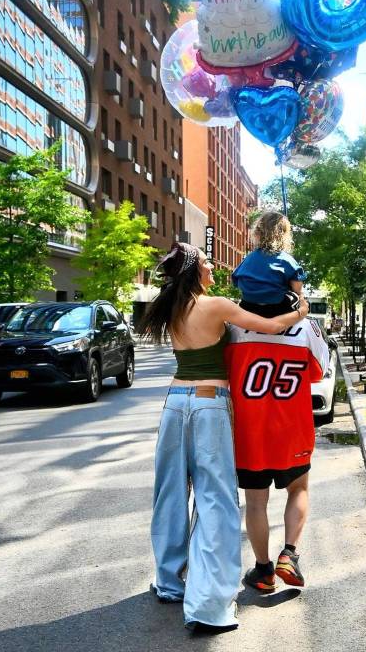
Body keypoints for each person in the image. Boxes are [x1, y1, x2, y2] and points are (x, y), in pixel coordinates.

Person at [141, 241, 309, 633]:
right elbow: (270, 326)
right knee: (216, 501)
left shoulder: (171, 308)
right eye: (207, 264)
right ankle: (209, 606)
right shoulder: (215, 306)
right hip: (208, 405)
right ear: (194, 271)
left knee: (169, 493)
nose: (213, 268)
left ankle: (169, 582)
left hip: (174, 403)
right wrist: (301, 307)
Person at [224, 304, 329, 593]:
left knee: (256, 502)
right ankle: (289, 555)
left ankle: (263, 570)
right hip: (292, 428)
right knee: (299, 489)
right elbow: (319, 371)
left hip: (249, 430)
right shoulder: (306, 327)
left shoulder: (234, 326)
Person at [232, 211, 306, 314]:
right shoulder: (288, 261)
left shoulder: (248, 259)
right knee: (300, 300)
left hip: (248, 309)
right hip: (277, 310)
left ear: (257, 233)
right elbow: (298, 289)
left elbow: (236, 281)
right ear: (283, 235)